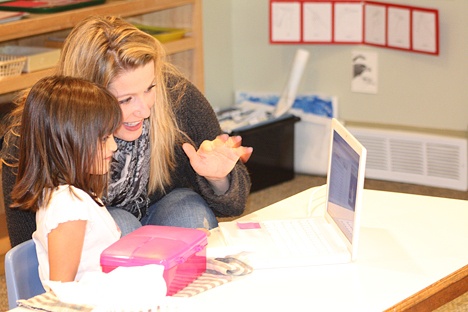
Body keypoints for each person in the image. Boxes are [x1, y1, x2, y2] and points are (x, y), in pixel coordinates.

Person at [2, 15, 252, 247]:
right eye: (125, 100)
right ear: (86, 97)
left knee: (190, 212)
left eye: (150, 87)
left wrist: (219, 179)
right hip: (95, 241)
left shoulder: (179, 99)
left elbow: (234, 204)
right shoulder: (33, 131)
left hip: (164, 212)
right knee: (119, 225)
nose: (144, 110)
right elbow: (28, 247)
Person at [10, 76, 122, 282]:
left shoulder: (71, 196)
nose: (114, 146)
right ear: (69, 141)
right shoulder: (68, 206)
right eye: (104, 138)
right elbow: (62, 291)